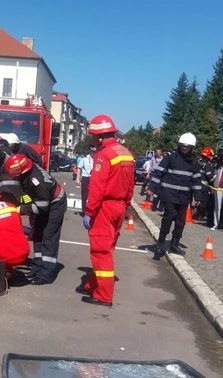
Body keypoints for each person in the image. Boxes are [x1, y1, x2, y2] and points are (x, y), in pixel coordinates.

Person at [78, 114, 134, 307]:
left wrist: (89, 211)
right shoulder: (126, 153)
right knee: (107, 248)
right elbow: (130, 186)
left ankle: (103, 295)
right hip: (118, 206)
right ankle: (92, 285)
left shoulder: (104, 154)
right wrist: (125, 205)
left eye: (94, 136)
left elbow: (97, 187)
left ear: (100, 137)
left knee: (101, 252)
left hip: (105, 207)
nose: (92, 140)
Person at [3, 154, 67, 285]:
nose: (13, 177)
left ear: (22, 171)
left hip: (55, 203)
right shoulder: (27, 172)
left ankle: (46, 274)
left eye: (15, 174)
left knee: (49, 236)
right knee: (37, 233)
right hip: (43, 201)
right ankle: (37, 267)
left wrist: (21, 210)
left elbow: (42, 208)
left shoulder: (37, 181)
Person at [147, 133, 203, 258]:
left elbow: (196, 180)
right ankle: (160, 243)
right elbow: (158, 173)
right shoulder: (170, 157)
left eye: (188, 147)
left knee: (180, 221)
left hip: (184, 196)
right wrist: (152, 188)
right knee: (169, 215)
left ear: (192, 147)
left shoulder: (194, 161)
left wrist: (198, 197)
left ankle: (174, 243)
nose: (185, 148)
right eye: (183, 146)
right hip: (169, 193)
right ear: (179, 145)